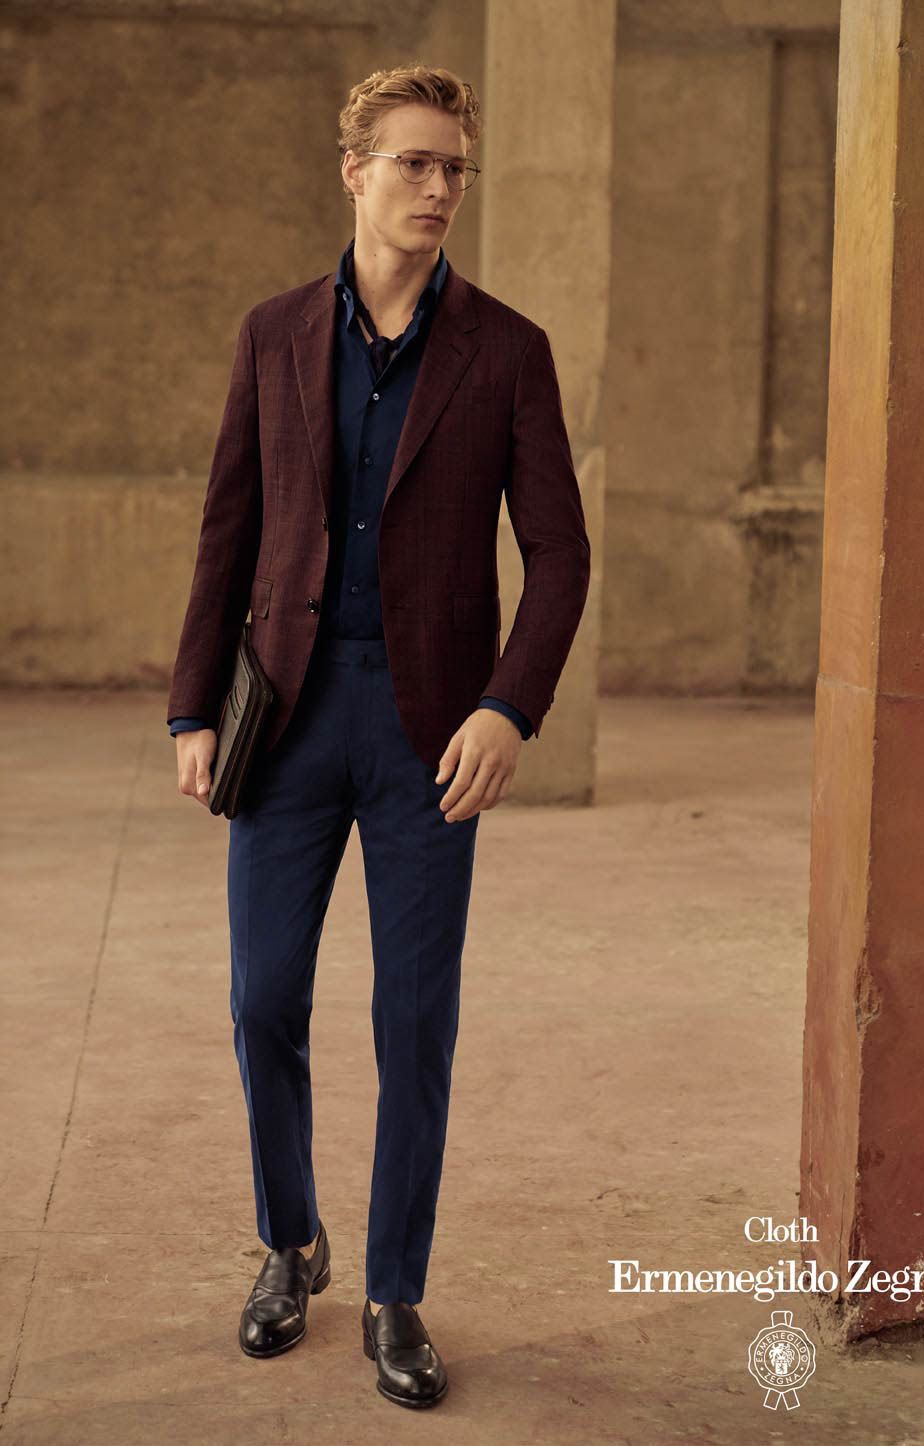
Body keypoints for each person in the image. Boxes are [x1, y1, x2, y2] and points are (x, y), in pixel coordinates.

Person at [167, 63, 590, 1410]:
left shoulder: (507, 349)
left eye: (454, 167)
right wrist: (192, 705)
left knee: (414, 1021)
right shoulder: (274, 333)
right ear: (353, 171)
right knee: (262, 999)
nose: (438, 187)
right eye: (414, 162)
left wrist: (508, 705)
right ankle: (290, 1242)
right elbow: (229, 527)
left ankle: (395, 1289)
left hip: (430, 733)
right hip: (286, 719)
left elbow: (561, 553)